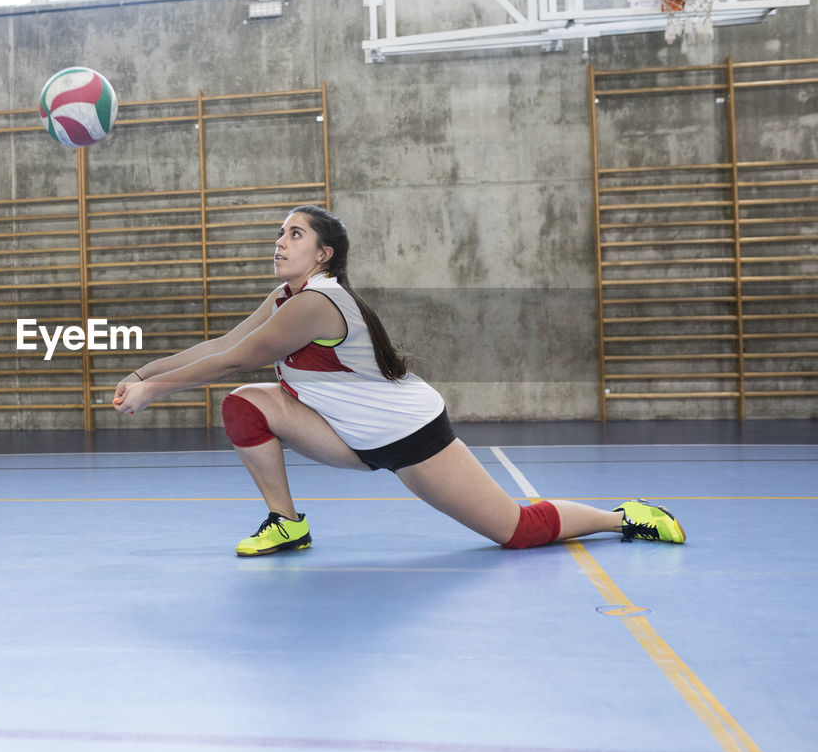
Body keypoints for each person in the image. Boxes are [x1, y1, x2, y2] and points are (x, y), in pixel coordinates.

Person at [113, 205, 686, 556]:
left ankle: (625, 515)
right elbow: (223, 346)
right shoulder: (284, 296)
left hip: (411, 436)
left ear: (324, 254)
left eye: (294, 234)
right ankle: (286, 524)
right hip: (344, 434)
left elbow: (239, 358)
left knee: (516, 531)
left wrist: (154, 391)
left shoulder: (318, 303)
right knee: (245, 406)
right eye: (279, 233)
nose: (280, 242)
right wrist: (142, 372)